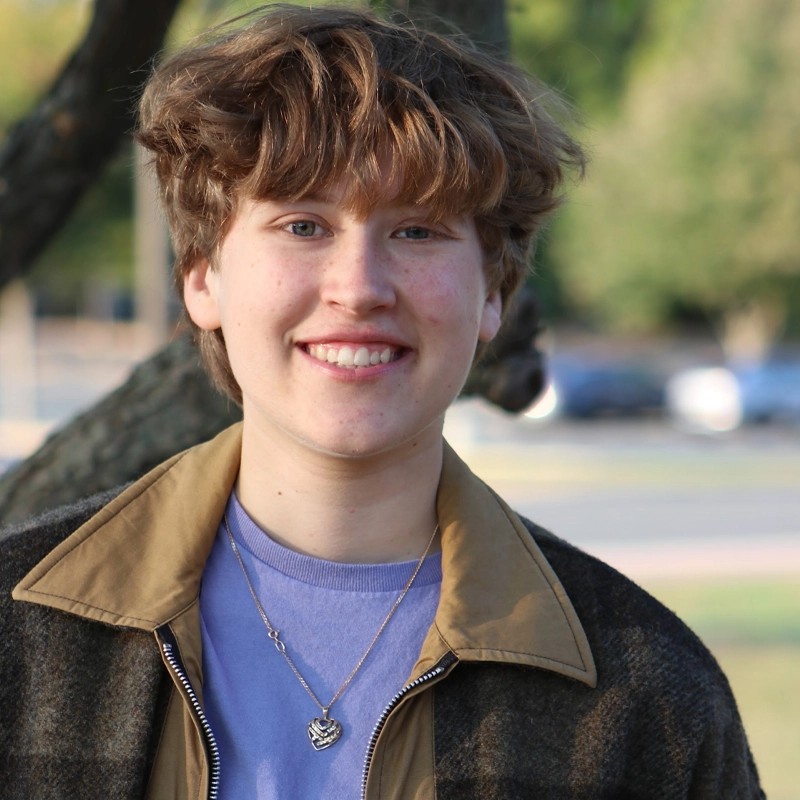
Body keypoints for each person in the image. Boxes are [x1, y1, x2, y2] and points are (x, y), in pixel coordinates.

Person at [0, 5, 764, 799]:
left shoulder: (647, 698)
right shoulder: (18, 638)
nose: (359, 288)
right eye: (303, 225)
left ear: (493, 292)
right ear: (202, 277)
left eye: (418, 232)